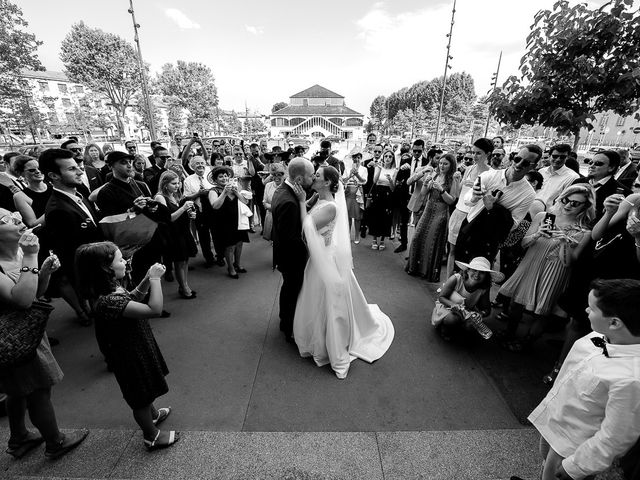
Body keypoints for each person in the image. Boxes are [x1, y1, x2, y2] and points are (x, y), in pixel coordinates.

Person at [526, 279, 640, 480]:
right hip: (555, 422)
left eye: (592, 308)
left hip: (574, 447)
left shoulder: (631, 379)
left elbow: (615, 437)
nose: (586, 310)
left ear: (614, 322)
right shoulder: (600, 334)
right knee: (545, 464)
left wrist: (575, 467)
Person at [0, 210, 89, 459]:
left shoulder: (17, 251)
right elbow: (23, 300)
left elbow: (36, 293)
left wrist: (45, 273)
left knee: (16, 389)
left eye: (14, 215)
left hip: (23, 332)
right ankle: (55, 441)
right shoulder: (22, 253)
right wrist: (31, 255)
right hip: (12, 337)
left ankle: (19, 437)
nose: (18, 220)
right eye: (6, 220)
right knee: (39, 390)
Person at [291, 166, 394, 379]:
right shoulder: (320, 200)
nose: (314, 177)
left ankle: (334, 347)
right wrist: (308, 201)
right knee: (318, 300)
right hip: (321, 258)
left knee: (331, 304)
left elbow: (306, 228)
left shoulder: (330, 207)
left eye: (317, 175)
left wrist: (301, 202)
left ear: (328, 182)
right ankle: (318, 336)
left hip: (327, 260)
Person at [75, 242, 178, 451]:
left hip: (136, 346)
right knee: (139, 396)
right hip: (128, 354)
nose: (125, 262)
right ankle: (151, 435)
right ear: (106, 269)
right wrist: (156, 279)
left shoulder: (111, 289)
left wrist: (147, 279)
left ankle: (154, 415)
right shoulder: (107, 301)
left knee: (146, 386)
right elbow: (154, 309)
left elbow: (133, 298)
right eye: (120, 260)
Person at [498, 185, 595, 350]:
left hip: (555, 272)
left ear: (585, 207)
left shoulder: (584, 232)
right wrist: (538, 234)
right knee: (516, 303)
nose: (568, 205)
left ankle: (526, 342)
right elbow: (523, 244)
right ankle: (509, 332)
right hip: (530, 264)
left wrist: (565, 242)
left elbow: (568, 263)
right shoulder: (543, 217)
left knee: (542, 313)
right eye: (566, 199)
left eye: (575, 203)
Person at [41, 148, 102, 326]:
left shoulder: (78, 194)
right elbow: (71, 254)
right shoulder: (58, 209)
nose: (80, 171)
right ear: (54, 175)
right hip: (91, 272)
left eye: (78, 166)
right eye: (71, 169)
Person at [271, 158, 315, 343]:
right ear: (298, 179)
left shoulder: (283, 190)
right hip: (291, 256)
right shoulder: (289, 201)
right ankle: (288, 326)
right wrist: (312, 249)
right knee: (292, 288)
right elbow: (292, 237)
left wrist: (307, 202)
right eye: (310, 176)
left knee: (288, 288)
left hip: (283, 253)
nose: (312, 179)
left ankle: (285, 320)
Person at [406, 153, 460, 281]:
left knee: (432, 242)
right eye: (440, 163)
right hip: (428, 210)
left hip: (440, 213)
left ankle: (428, 272)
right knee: (417, 237)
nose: (442, 166)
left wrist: (441, 190)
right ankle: (415, 268)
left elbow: (452, 201)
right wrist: (425, 184)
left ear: (451, 165)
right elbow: (423, 194)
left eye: (445, 164)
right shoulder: (434, 175)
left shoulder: (453, 179)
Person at [446, 138, 492, 277]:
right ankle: (448, 282)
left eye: (478, 153)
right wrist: (457, 180)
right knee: (452, 250)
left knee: (466, 254)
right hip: (458, 212)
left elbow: (488, 199)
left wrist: (476, 188)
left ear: (487, 154)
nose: (474, 156)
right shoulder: (469, 168)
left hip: (473, 217)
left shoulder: (490, 174)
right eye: (473, 152)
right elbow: (459, 192)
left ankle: (462, 285)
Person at [431, 257, 502, 342]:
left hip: (466, 311)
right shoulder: (456, 279)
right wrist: (452, 305)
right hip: (447, 307)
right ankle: (444, 327)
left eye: (482, 272)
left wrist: (481, 314)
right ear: (467, 270)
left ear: (486, 276)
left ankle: (459, 329)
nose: (477, 274)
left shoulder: (483, 288)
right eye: (474, 270)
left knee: (471, 326)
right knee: (452, 320)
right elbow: (441, 297)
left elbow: (487, 309)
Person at [154, 171, 197, 299]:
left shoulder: (176, 195)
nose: (177, 186)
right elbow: (168, 218)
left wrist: (191, 215)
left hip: (183, 231)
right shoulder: (160, 197)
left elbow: (180, 214)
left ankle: (184, 285)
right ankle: (184, 288)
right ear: (165, 184)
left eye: (178, 183)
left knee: (185, 260)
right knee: (179, 261)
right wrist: (183, 208)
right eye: (174, 183)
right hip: (173, 234)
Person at [207, 166, 250, 278]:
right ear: (215, 180)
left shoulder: (233, 188)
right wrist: (224, 192)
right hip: (223, 223)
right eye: (220, 176)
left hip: (238, 220)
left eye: (225, 176)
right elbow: (215, 206)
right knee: (229, 246)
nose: (224, 178)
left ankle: (238, 264)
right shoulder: (213, 191)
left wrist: (236, 192)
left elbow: (245, 202)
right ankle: (230, 268)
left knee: (239, 243)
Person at [183, 156, 218, 267]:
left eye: (202, 163)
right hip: (200, 211)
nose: (200, 165)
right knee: (204, 237)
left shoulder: (211, 177)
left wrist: (210, 192)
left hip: (214, 210)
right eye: (197, 164)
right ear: (192, 166)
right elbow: (186, 198)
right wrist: (198, 194)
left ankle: (220, 256)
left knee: (217, 234)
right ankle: (209, 258)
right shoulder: (188, 180)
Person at [368, 149, 396, 251]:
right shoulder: (378, 167)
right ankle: (374, 240)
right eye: (386, 156)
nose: (388, 158)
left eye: (390, 156)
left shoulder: (395, 170)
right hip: (378, 193)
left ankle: (383, 240)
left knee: (386, 217)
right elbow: (374, 181)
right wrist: (379, 169)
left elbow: (393, 188)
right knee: (376, 215)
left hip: (388, 195)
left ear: (393, 159)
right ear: (383, 157)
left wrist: (390, 180)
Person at [341, 148, 367, 244]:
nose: (357, 159)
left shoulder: (364, 169)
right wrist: (350, 175)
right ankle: (347, 235)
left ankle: (357, 235)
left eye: (359, 157)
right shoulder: (347, 169)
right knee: (348, 216)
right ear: (352, 158)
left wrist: (357, 175)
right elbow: (343, 181)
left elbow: (364, 181)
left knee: (357, 217)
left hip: (358, 193)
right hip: (348, 193)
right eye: (355, 157)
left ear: (361, 158)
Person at [262, 162, 286, 241]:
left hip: (283, 220)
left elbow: (286, 208)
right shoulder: (268, 185)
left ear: (284, 175)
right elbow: (264, 203)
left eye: (279, 174)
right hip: (270, 218)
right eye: (274, 175)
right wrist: (277, 208)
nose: (276, 177)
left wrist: (271, 207)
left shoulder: (287, 187)